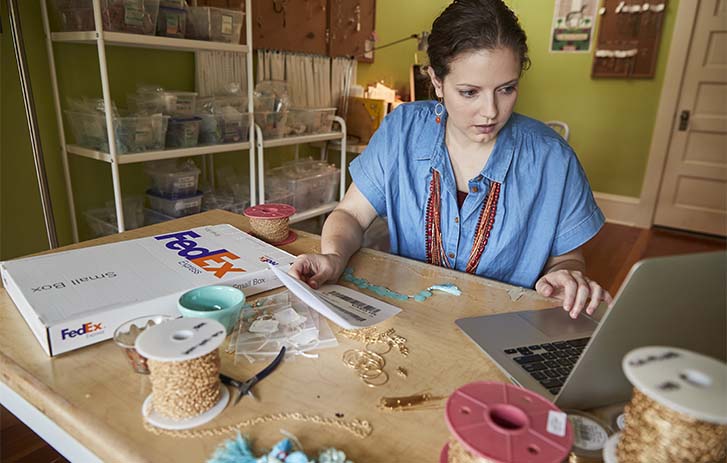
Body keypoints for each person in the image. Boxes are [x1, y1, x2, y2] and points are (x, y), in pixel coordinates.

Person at [290, 0, 612, 319]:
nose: (491, 111)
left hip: (502, 328)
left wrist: (568, 275)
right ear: (437, 82)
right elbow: (350, 214)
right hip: (410, 320)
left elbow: (566, 259)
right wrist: (333, 256)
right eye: (470, 92)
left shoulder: (553, 160)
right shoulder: (402, 131)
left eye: (507, 89)